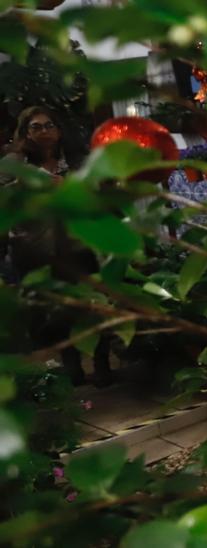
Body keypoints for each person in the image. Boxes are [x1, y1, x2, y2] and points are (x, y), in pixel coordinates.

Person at [2, 106, 111, 386]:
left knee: (93, 306)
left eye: (49, 125)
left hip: (78, 246)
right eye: (35, 127)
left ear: (59, 130)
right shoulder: (13, 163)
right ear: (25, 131)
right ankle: (72, 367)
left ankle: (102, 365)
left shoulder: (75, 161)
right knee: (55, 312)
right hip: (36, 249)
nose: (43, 131)